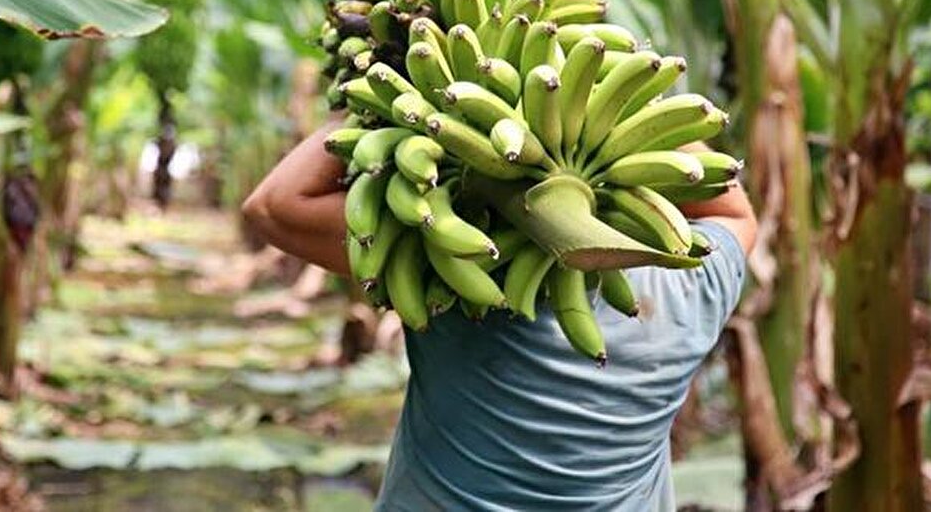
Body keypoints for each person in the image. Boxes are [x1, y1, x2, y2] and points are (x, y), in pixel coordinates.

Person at [243, 122, 756, 511]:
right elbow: (734, 211)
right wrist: (634, 107)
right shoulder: (693, 285)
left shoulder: (452, 263)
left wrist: (385, 85)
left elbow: (272, 205)